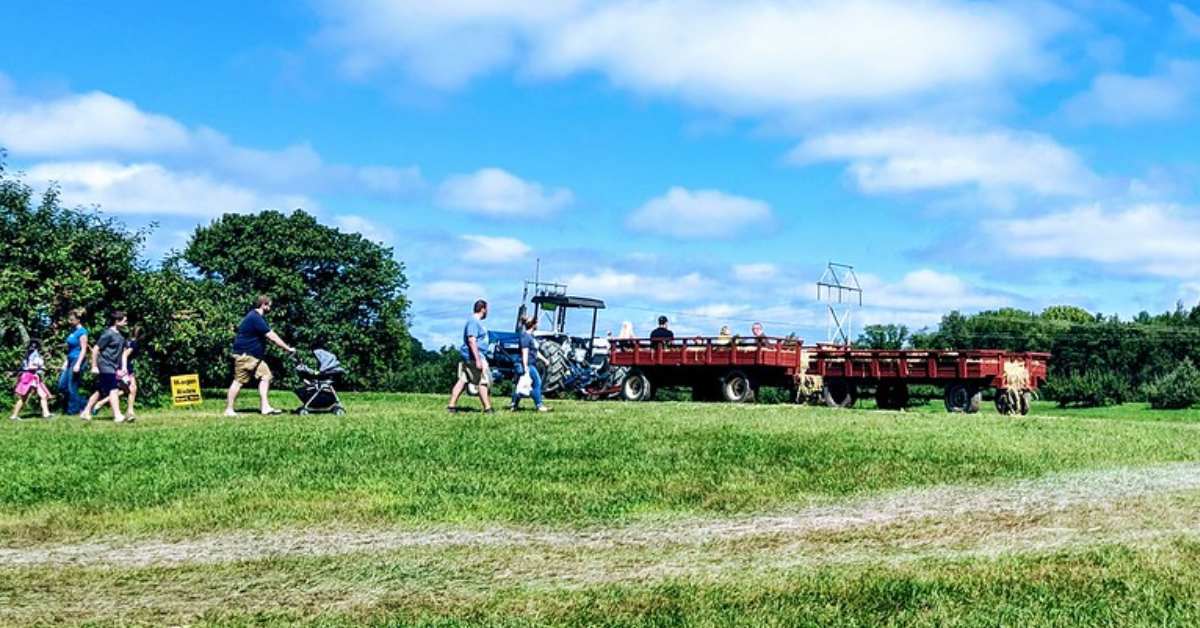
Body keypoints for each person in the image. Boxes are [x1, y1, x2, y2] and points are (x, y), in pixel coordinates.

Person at [224, 295, 296, 417]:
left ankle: (265, 407)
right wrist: (287, 349)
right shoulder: (255, 318)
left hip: (254, 357)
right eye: (269, 306)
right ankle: (229, 410)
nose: (270, 308)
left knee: (266, 376)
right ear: (263, 305)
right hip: (246, 356)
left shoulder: (256, 317)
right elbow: (271, 336)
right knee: (239, 381)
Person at [80, 311, 129, 422]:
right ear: (117, 321)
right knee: (113, 389)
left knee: (100, 390)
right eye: (124, 321)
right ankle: (117, 415)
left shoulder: (121, 335)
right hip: (105, 365)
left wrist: (123, 368)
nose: (126, 323)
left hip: (113, 366)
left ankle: (86, 412)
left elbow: (123, 353)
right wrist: (94, 366)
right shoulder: (108, 334)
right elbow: (96, 349)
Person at [447, 299, 493, 413]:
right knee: (483, 381)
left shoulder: (474, 322)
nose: (487, 311)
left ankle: (451, 406)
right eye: (487, 309)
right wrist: (478, 359)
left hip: (470, 356)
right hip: (475, 356)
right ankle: (487, 408)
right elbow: (472, 340)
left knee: (463, 380)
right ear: (483, 309)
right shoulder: (473, 322)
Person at [509, 316, 551, 413]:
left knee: (521, 385)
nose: (538, 325)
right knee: (537, 382)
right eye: (537, 323)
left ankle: (514, 405)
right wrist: (525, 366)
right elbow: (525, 352)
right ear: (533, 324)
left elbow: (535, 352)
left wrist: (544, 360)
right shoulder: (525, 336)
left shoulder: (531, 337)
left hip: (530, 363)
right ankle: (539, 405)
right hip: (527, 364)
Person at [10, 339, 53, 421]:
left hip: (33, 377)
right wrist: (41, 367)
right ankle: (14, 416)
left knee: (43, 395)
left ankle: (46, 414)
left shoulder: (28, 353)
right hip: (30, 377)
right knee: (23, 397)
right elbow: (31, 366)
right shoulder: (34, 354)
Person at [57, 308, 89, 415]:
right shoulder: (72, 331)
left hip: (77, 360)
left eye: (71, 320)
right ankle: (85, 404)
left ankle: (72, 411)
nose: (69, 321)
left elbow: (84, 349)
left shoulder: (82, 332)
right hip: (70, 360)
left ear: (78, 320)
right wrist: (65, 363)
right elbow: (70, 349)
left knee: (72, 386)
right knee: (62, 385)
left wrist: (78, 364)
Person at [119, 326, 142, 420]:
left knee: (128, 390)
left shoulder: (127, 340)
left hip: (121, 366)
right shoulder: (134, 343)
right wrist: (124, 368)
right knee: (132, 388)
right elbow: (124, 354)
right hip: (125, 367)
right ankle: (130, 412)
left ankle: (99, 404)